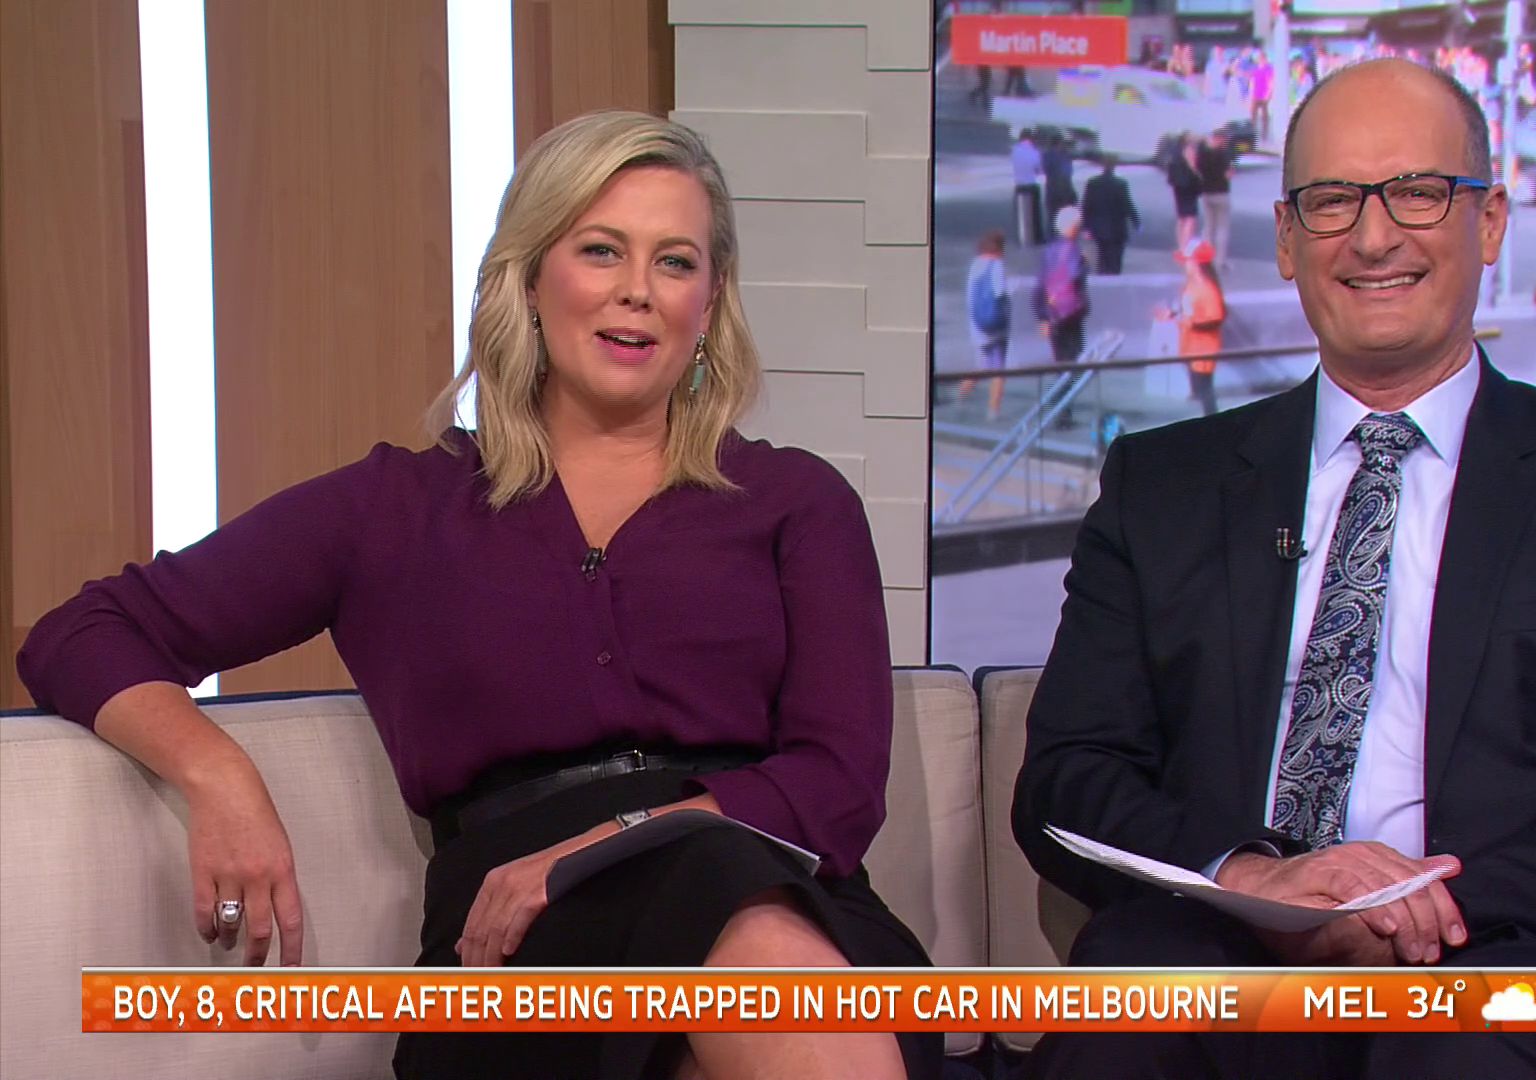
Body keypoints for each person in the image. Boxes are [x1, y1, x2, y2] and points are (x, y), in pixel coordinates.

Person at [15, 110, 941, 1080]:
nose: (637, 289)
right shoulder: (398, 508)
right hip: (516, 942)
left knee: (739, 909)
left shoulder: (796, 503)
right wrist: (218, 773)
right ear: (530, 280)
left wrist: (618, 837)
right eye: (601, 250)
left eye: (675, 262)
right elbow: (84, 632)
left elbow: (839, 782)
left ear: (709, 303)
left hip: (772, 893)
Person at [1013, 60, 1536, 1080]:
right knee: (1126, 1029)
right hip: (1230, 948)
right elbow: (1068, 780)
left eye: (1417, 193)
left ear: (1489, 222)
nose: (1372, 238)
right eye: (1332, 201)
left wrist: (1414, 904)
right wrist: (1252, 876)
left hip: (1516, 952)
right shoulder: (1162, 485)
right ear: (1286, 238)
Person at [1034, 205, 1091, 426]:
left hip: (1054, 314)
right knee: (1072, 363)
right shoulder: (1073, 251)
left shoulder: (1050, 251)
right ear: (1074, 227)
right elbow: (1076, 277)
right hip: (1071, 315)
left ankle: (1059, 406)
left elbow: (1040, 285)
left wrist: (1043, 316)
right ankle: (1061, 409)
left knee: (1061, 363)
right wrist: (1085, 264)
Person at [1162, 237, 1227, 415]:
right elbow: (1188, 308)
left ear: (1196, 264)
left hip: (1204, 350)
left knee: (1204, 390)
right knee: (1199, 388)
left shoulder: (1208, 290)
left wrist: (1190, 323)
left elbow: (1215, 319)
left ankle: (1213, 421)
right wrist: (1173, 314)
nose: (1185, 265)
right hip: (1190, 347)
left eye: (1188, 261)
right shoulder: (1190, 285)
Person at [959, 229, 1012, 420]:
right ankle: (993, 410)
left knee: (982, 365)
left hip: (978, 326)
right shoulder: (997, 265)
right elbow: (1000, 293)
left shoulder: (975, 265)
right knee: (999, 369)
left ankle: (962, 394)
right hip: (997, 326)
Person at [1080, 155, 1141, 275]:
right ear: (1114, 167)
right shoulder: (1120, 184)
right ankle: (1114, 273)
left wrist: (1085, 226)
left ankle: (1103, 271)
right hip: (1117, 226)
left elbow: (1087, 205)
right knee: (1116, 254)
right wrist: (1136, 222)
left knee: (1102, 252)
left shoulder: (1093, 183)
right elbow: (1126, 204)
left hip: (1098, 226)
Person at [1196, 130, 1235, 272]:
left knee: (1208, 227)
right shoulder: (1224, 154)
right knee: (1222, 228)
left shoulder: (1203, 153)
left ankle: (1205, 259)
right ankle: (1220, 260)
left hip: (1207, 192)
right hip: (1221, 193)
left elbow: (1198, 169)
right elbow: (1229, 174)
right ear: (1222, 139)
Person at [1166, 132, 1204, 250]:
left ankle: (1180, 246)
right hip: (1189, 185)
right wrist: (1199, 177)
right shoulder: (1189, 150)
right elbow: (1192, 166)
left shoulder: (1175, 152)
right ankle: (1186, 246)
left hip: (1177, 186)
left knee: (1181, 217)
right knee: (1190, 218)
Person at [1041, 133, 1079, 241]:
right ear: (1059, 143)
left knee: (1052, 217)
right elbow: (1067, 174)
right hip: (1064, 191)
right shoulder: (1064, 156)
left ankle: (1051, 239)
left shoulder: (1046, 155)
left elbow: (1045, 170)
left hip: (1051, 190)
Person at [1010, 129, 1045, 247]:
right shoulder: (1035, 151)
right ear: (1031, 138)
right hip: (1031, 185)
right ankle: (1037, 238)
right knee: (1035, 214)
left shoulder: (1014, 150)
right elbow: (1039, 170)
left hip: (1019, 185)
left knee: (1020, 214)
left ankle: (1022, 237)